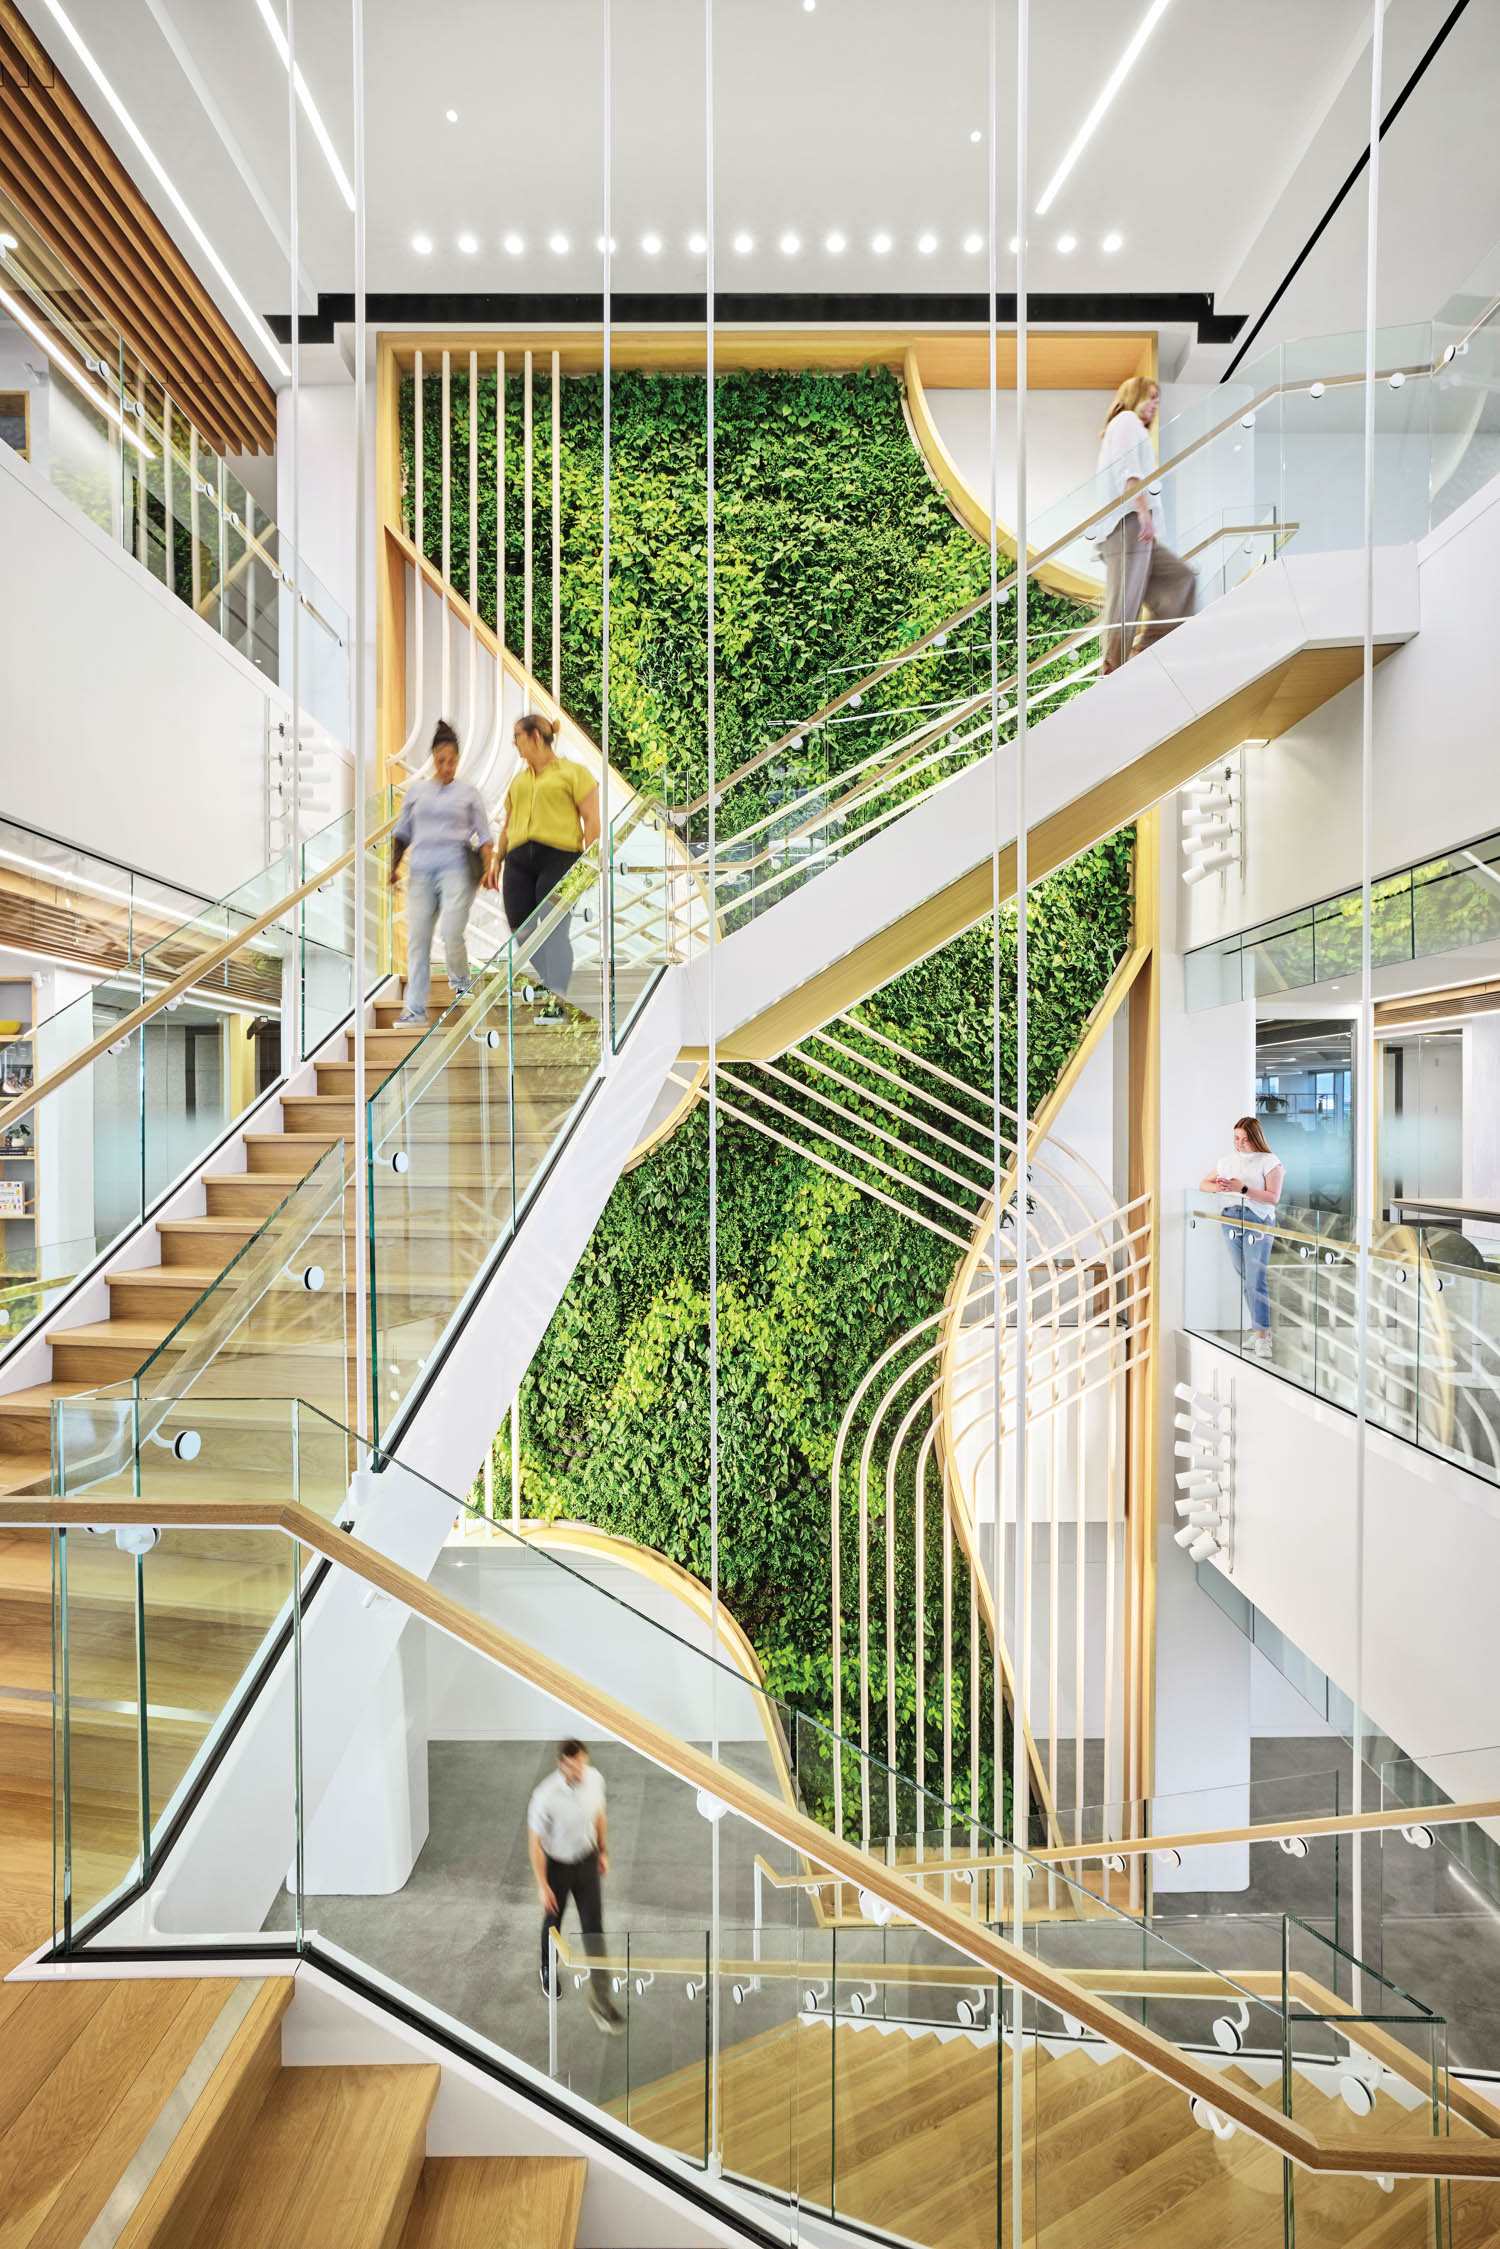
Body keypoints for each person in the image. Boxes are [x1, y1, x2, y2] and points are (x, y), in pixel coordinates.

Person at [389, 719, 496, 1028]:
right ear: (433, 759)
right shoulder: (417, 792)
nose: (446, 767)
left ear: (458, 759)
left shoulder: (469, 793)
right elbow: (402, 833)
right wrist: (393, 870)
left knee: (451, 931)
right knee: (418, 941)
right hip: (421, 872)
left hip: (456, 870)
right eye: (440, 761)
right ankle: (414, 1011)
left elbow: (485, 838)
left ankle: (460, 978)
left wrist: (489, 870)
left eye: (451, 761)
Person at [496, 713, 600, 1023]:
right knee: (521, 928)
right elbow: (508, 825)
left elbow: (591, 819)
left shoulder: (573, 773)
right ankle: (552, 980)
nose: (515, 744)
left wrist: (590, 864)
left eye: (517, 737)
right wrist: (495, 861)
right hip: (518, 860)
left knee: (553, 926)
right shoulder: (518, 781)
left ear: (535, 737)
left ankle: (557, 997)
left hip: (560, 856)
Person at [1093, 376, 1197, 675]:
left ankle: (1141, 651)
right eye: (1150, 397)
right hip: (1127, 523)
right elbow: (1128, 471)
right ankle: (1112, 667)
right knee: (1125, 600)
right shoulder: (1126, 421)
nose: (1155, 405)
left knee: (1182, 579)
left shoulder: (1134, 428)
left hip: (1139, 527)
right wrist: (1143, 513)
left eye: (1157, 400)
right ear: (1135, 395)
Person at [528, 1738, 624, 2035]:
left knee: (594, 1928)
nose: (578, 1768)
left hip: (586, 1862)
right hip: (557, 1866)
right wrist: (542, 1884)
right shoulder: (545, 1795)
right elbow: (535, 1843)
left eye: (581, 1761)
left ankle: (602, 1999)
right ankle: (547, 1968)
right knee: (553, 1922)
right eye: (572, 1764)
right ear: (562, 1764)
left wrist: (603, 1851)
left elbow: (599, 1815)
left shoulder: (595, 1780)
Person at [1200, 1116, 1286, 1355]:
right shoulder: (1227, 1161)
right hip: (1230, 1219)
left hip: (1257, 1220)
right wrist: (1221, 1186)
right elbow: (1203, 1185)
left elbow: (1273, 1197)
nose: (1240, 1143)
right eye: (1236, 1138)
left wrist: (1243, 1189)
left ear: (1255, 1138)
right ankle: (1260, 1332)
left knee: (1255, 1278)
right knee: (1245, 1276)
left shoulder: (1269, 1161)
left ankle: (1262, 1337)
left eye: (1245, 1139)